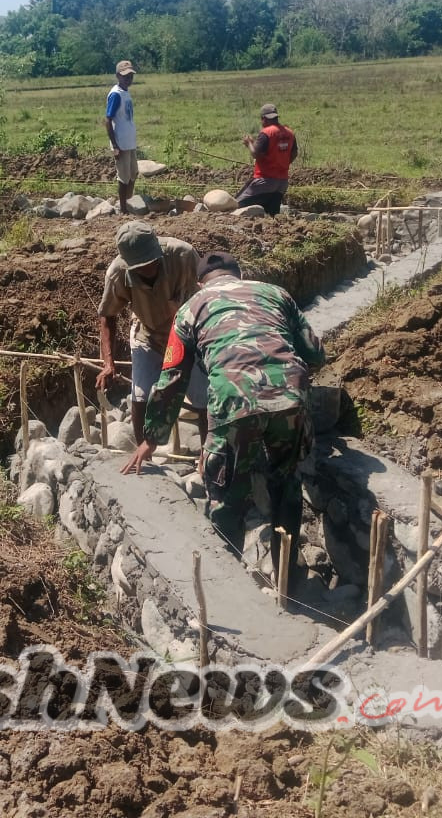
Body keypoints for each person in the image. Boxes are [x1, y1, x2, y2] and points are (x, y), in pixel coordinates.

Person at [121, 252, 325, 580]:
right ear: (239, 273)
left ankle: (230, 587)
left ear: (201, 283)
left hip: (233, 402)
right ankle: (289, 584)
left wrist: (151, 439)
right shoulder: (276, 293)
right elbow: (315, 351)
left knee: (227, 496)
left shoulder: (191, 308)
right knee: (286, 484)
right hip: (290, 396)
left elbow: (172, 378)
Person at [96, 220, 208, 446]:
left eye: (151, 262)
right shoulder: (117, 273)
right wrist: (109, 363)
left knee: (205, 398)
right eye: (140, 266)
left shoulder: (182, 255)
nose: (148, 269)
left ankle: (209, 456)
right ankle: (143, 453)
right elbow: (107, 316)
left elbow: (206, 293)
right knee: (141, 396)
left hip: (189, 335)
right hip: (149, 334)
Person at [237, 103, 298, 216]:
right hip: (282, 183)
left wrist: (249, 143)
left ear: (263, 119)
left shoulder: (267, 133)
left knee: (236, 205)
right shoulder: (289, 133)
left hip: (264, 181)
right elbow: (294, 153)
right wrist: (282, 162)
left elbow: (255, 153)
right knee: (272, 215)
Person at [105, 60, 139, 215]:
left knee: (133, 173)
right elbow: (108, 120)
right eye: (125, 76)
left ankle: (129, 201)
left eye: (130, 75)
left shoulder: (125, 91)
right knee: (123, 177)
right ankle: (123, 209)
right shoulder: (116, 94)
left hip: (129, 141)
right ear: (118, 75)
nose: (128, 78)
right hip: (121, 143)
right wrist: (115, 146)